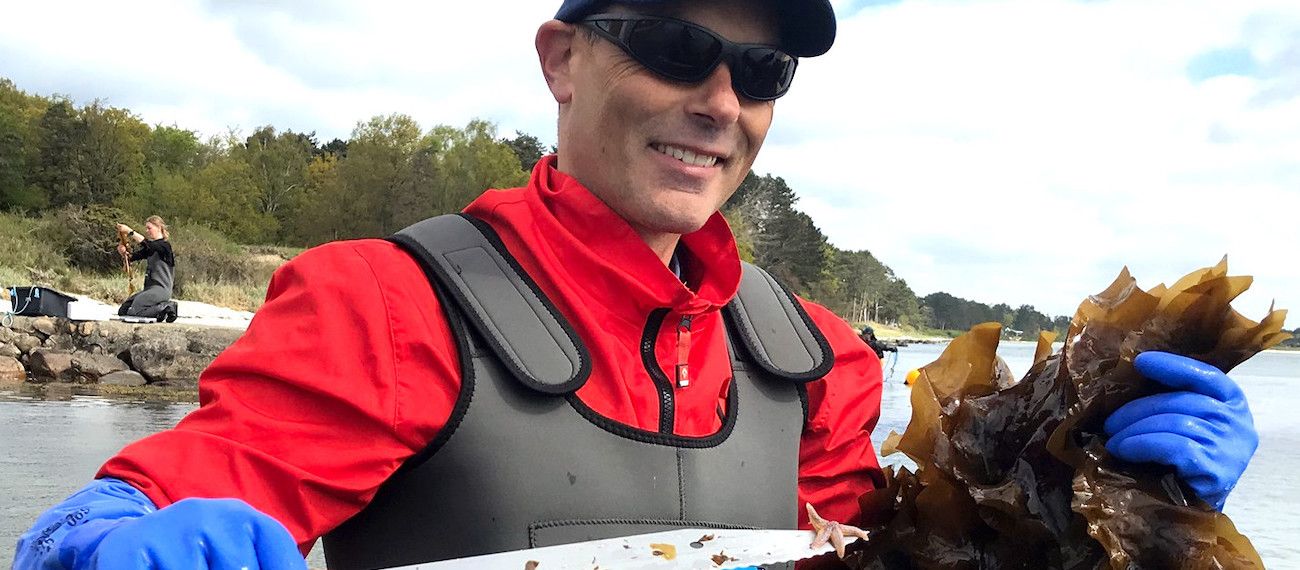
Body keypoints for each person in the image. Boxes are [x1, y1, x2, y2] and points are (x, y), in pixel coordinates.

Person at [15, 1, 1259, 568]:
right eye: (673, 46)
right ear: (562, 57)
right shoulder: (385, 306)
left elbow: (904, 556)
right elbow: (164, 491)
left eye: (760, 72)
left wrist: (1098, 490)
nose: (718, 101)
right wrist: (99, 541)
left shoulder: (816, 356)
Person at [114, 216, 178, 323]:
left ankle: (167, 307)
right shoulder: (151, 248)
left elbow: (148, 244)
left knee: (136, 309)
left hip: (161, 289)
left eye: (149, 228)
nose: (147, 231)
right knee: (124, 310)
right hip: (149, 289)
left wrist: (130, 232)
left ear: (159, 227)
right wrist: (123, 253)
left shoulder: (164, 246)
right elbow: (132, 257)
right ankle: (160, 311)